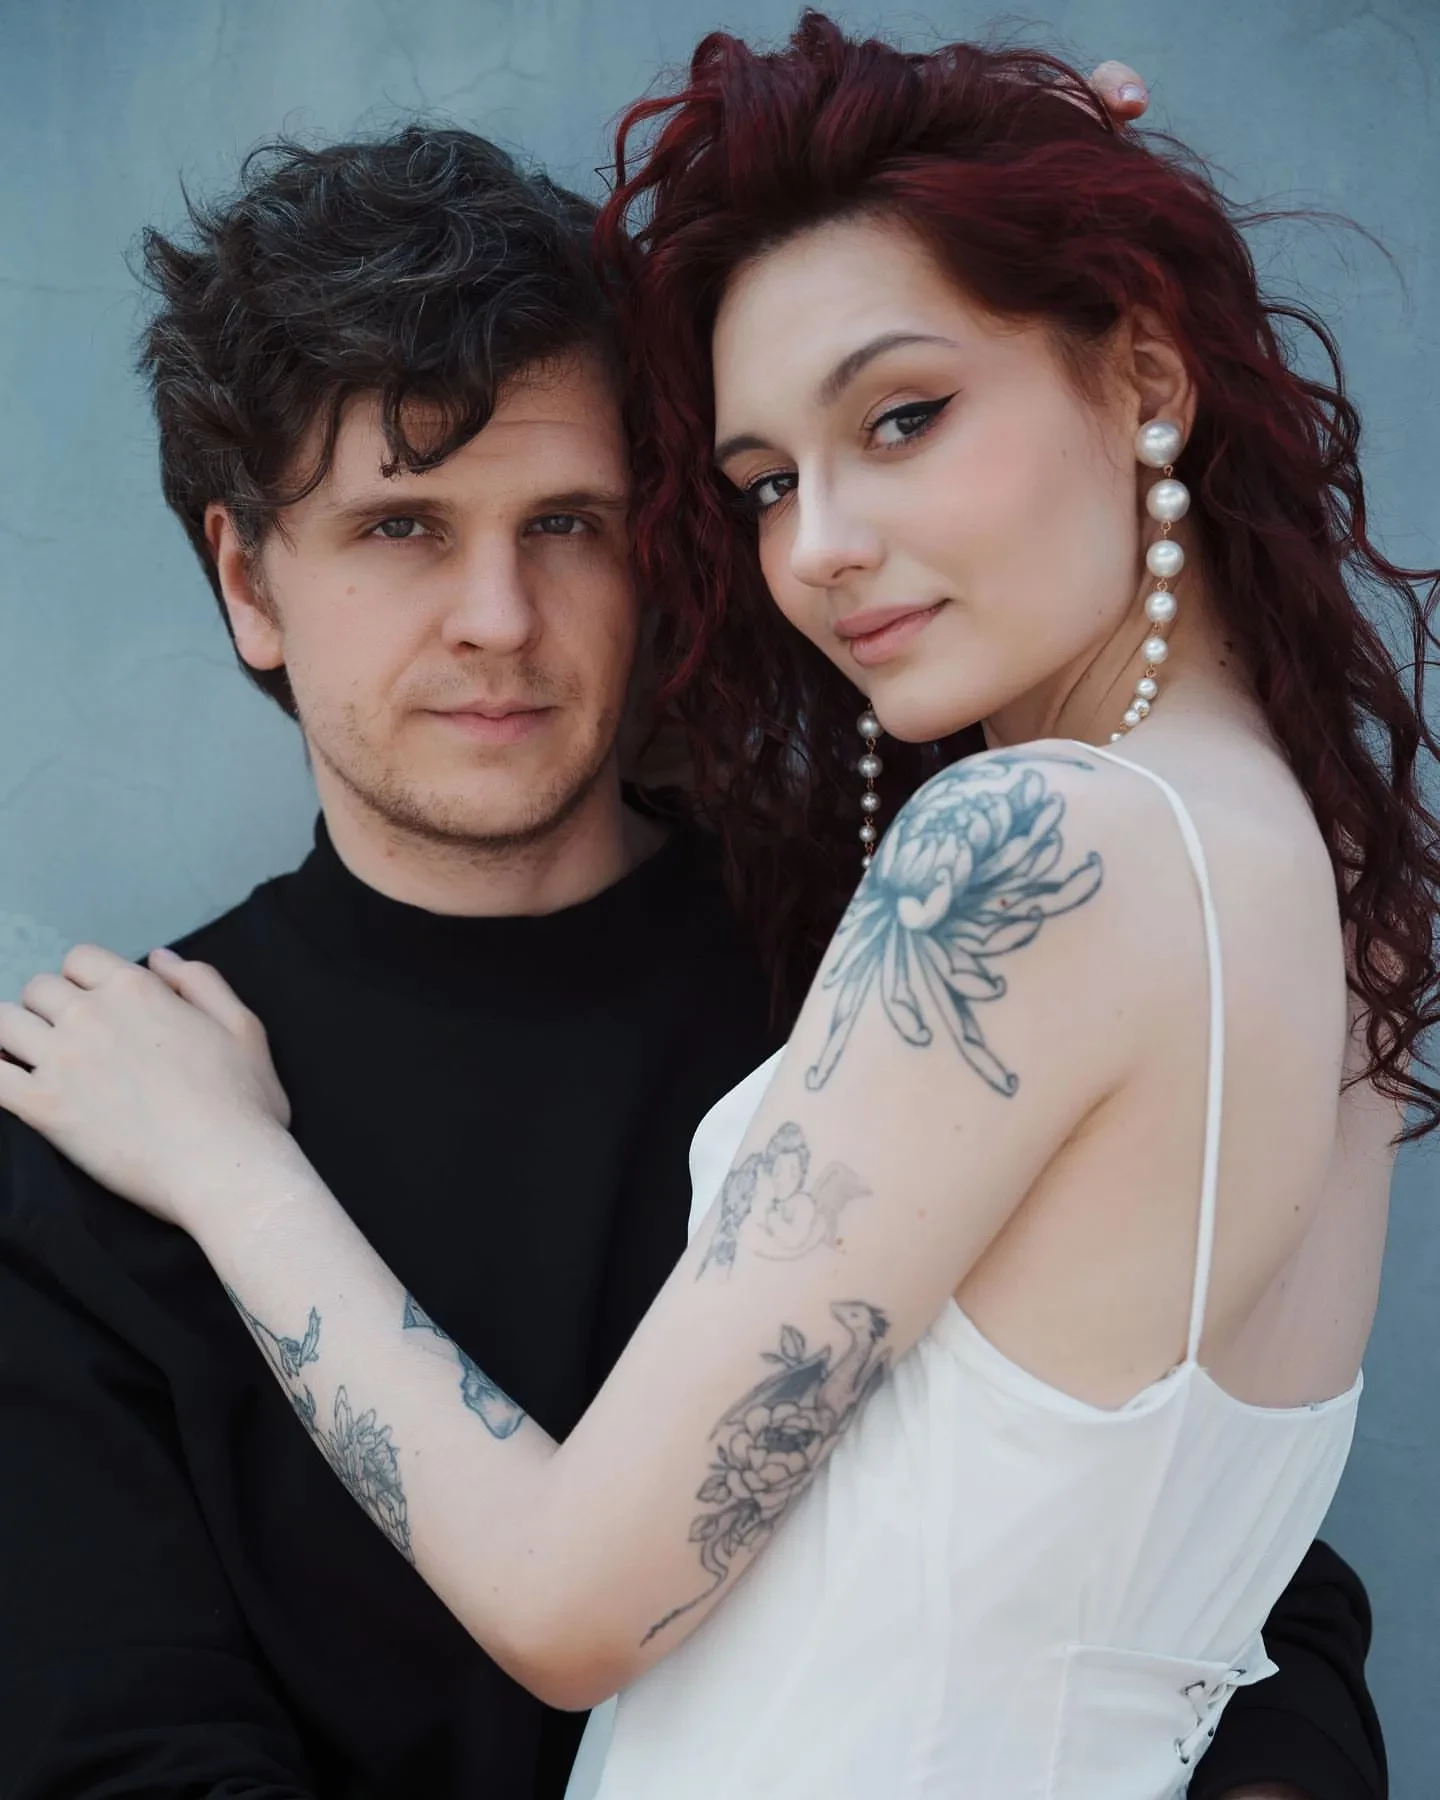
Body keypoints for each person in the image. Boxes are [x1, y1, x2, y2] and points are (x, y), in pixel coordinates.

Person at [0, 43, 1406, 1800]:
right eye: (403, 528)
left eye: (568, 522)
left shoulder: (953, 907)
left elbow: (1243, 1600)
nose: (500, 617)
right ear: (246, 578)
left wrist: (234, 1172)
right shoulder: (98, 1126)